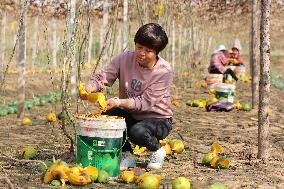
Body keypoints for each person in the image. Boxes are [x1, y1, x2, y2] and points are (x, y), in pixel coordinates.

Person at [85, 23, 173, 170]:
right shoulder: (125, 59)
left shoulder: (164, 71)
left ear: (157, 52)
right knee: (108, 117)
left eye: (148, 50)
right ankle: (127, 155)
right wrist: (90, 87)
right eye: (139, 47)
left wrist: (119, 102)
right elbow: (105, 76)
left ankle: (157, 150)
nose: (142, 53)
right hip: (132, 114)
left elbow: (145, 102)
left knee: (137, 132)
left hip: (159, 119)